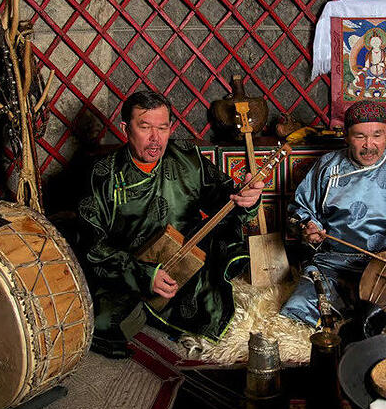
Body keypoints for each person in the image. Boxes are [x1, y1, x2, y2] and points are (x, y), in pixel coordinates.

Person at [78, 90, 264, 357]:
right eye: (145, 127)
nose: (155, 138)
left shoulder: (187, 157)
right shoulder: (103, 174)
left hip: (185, 260)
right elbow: (92, 245)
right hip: (131, 267)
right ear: (126, 129)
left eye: (162, 128)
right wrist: (144, 275)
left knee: (221, 255)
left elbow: (226, 199)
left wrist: (247, 199)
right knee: (102, 323)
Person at [281, 101, 386, 332]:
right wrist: (309, 226)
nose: (369, 145)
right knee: (298, 309)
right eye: (360, 136)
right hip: (332, 263)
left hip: (385, 267)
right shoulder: (327, 167)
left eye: (377, 135)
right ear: (346, 136)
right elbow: (300, 208)